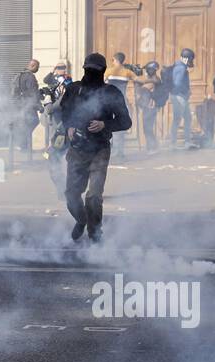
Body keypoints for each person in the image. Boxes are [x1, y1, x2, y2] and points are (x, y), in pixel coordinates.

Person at [59, 53, 131, 242]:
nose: (91, 74)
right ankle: (82, 220)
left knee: (94, 196)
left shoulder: (111, 93)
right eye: (88, 70)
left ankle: (95, 233)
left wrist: (105, 124)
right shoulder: (74, 89)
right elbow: (64, 112)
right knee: (72, 195)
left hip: (100, 150)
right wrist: (69, 127)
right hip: (77, 149)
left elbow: (125, 121)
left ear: (103, 71)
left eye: (95, 71)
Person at [41, 61, 73, 198]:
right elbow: (47, 80)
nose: (61, 70)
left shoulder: (66, 90)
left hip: (61, 132)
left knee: (54, 160)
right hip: (59, 132)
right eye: (59, 68)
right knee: (60, 161)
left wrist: (48, 100)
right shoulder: (57, 86)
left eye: (62, 68)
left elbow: (49, 109)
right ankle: (66, 190)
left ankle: (64, 191)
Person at [10, 59, 42, 160]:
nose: (38, 69)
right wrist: (39, 106)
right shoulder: (30, 76)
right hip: (28, 105)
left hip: (20, 105)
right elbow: (33, 93)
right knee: (33, 121)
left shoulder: (20, 75)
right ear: (33, 66)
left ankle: (23, 145)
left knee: (26, 124)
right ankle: (24, 145)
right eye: (37, 67)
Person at [133, 61, 167, 153]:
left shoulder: (155, 80)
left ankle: (152, 147)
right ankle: (151, 146)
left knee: (147, 128)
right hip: (148, 107)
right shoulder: (153, 79)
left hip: (150, 107)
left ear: (152, 70)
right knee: (147, 128)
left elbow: (144, 88)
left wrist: (137, 80)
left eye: (147, 70)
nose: (146, 72)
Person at [105, 53, 134, 159]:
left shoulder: (109, 71)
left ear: (115, 60)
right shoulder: (127, 72)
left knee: (108, 126)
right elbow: (139, 81)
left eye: (112, 60)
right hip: (122, 102)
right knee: (120, 128)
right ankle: (119, 152)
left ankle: (113, 152)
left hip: (109, 102)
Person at [165, 48, 195, 148]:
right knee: (178, 119)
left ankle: (184, 142)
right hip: (180, 96)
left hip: (177, 96)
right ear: (187, 59)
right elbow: (177, 83)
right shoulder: (182, 68)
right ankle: (174, 143)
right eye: (191, 59)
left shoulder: (177, 66)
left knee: (186, 118)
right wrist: (186, 91)